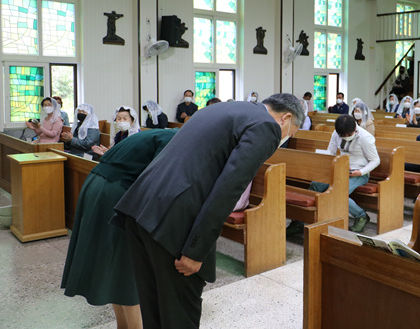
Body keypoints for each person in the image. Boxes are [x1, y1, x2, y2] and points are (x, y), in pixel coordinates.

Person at [113, 94, 304, 328]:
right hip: (174, 221)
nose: (285, 138)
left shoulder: (220, 110)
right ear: (286, 118)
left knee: (153, 308)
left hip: (140, 206)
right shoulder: (266, 126)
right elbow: (229, 189)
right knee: (179, 315)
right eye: (291, 133)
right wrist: (196, 251)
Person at [62, 129, 178, 329]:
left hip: (98, 184)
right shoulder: (177, 141)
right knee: (129, 264)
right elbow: (159, 183)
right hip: (116, 191)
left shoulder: (162, 134)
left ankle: (123, 324)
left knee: (115, 263)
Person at [291, 115, 379, 234]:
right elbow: (331, 152)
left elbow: (375, 160)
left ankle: (361, 216)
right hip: (339, 168)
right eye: (343, 135)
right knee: (316, 185)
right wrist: (333, 166)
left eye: (349, 134)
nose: (346, 137)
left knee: (338, 192)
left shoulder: (365, 138)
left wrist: (360, 171)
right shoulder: (336, 133)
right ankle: (299, 221)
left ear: (355, 127)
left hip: (359, 173)